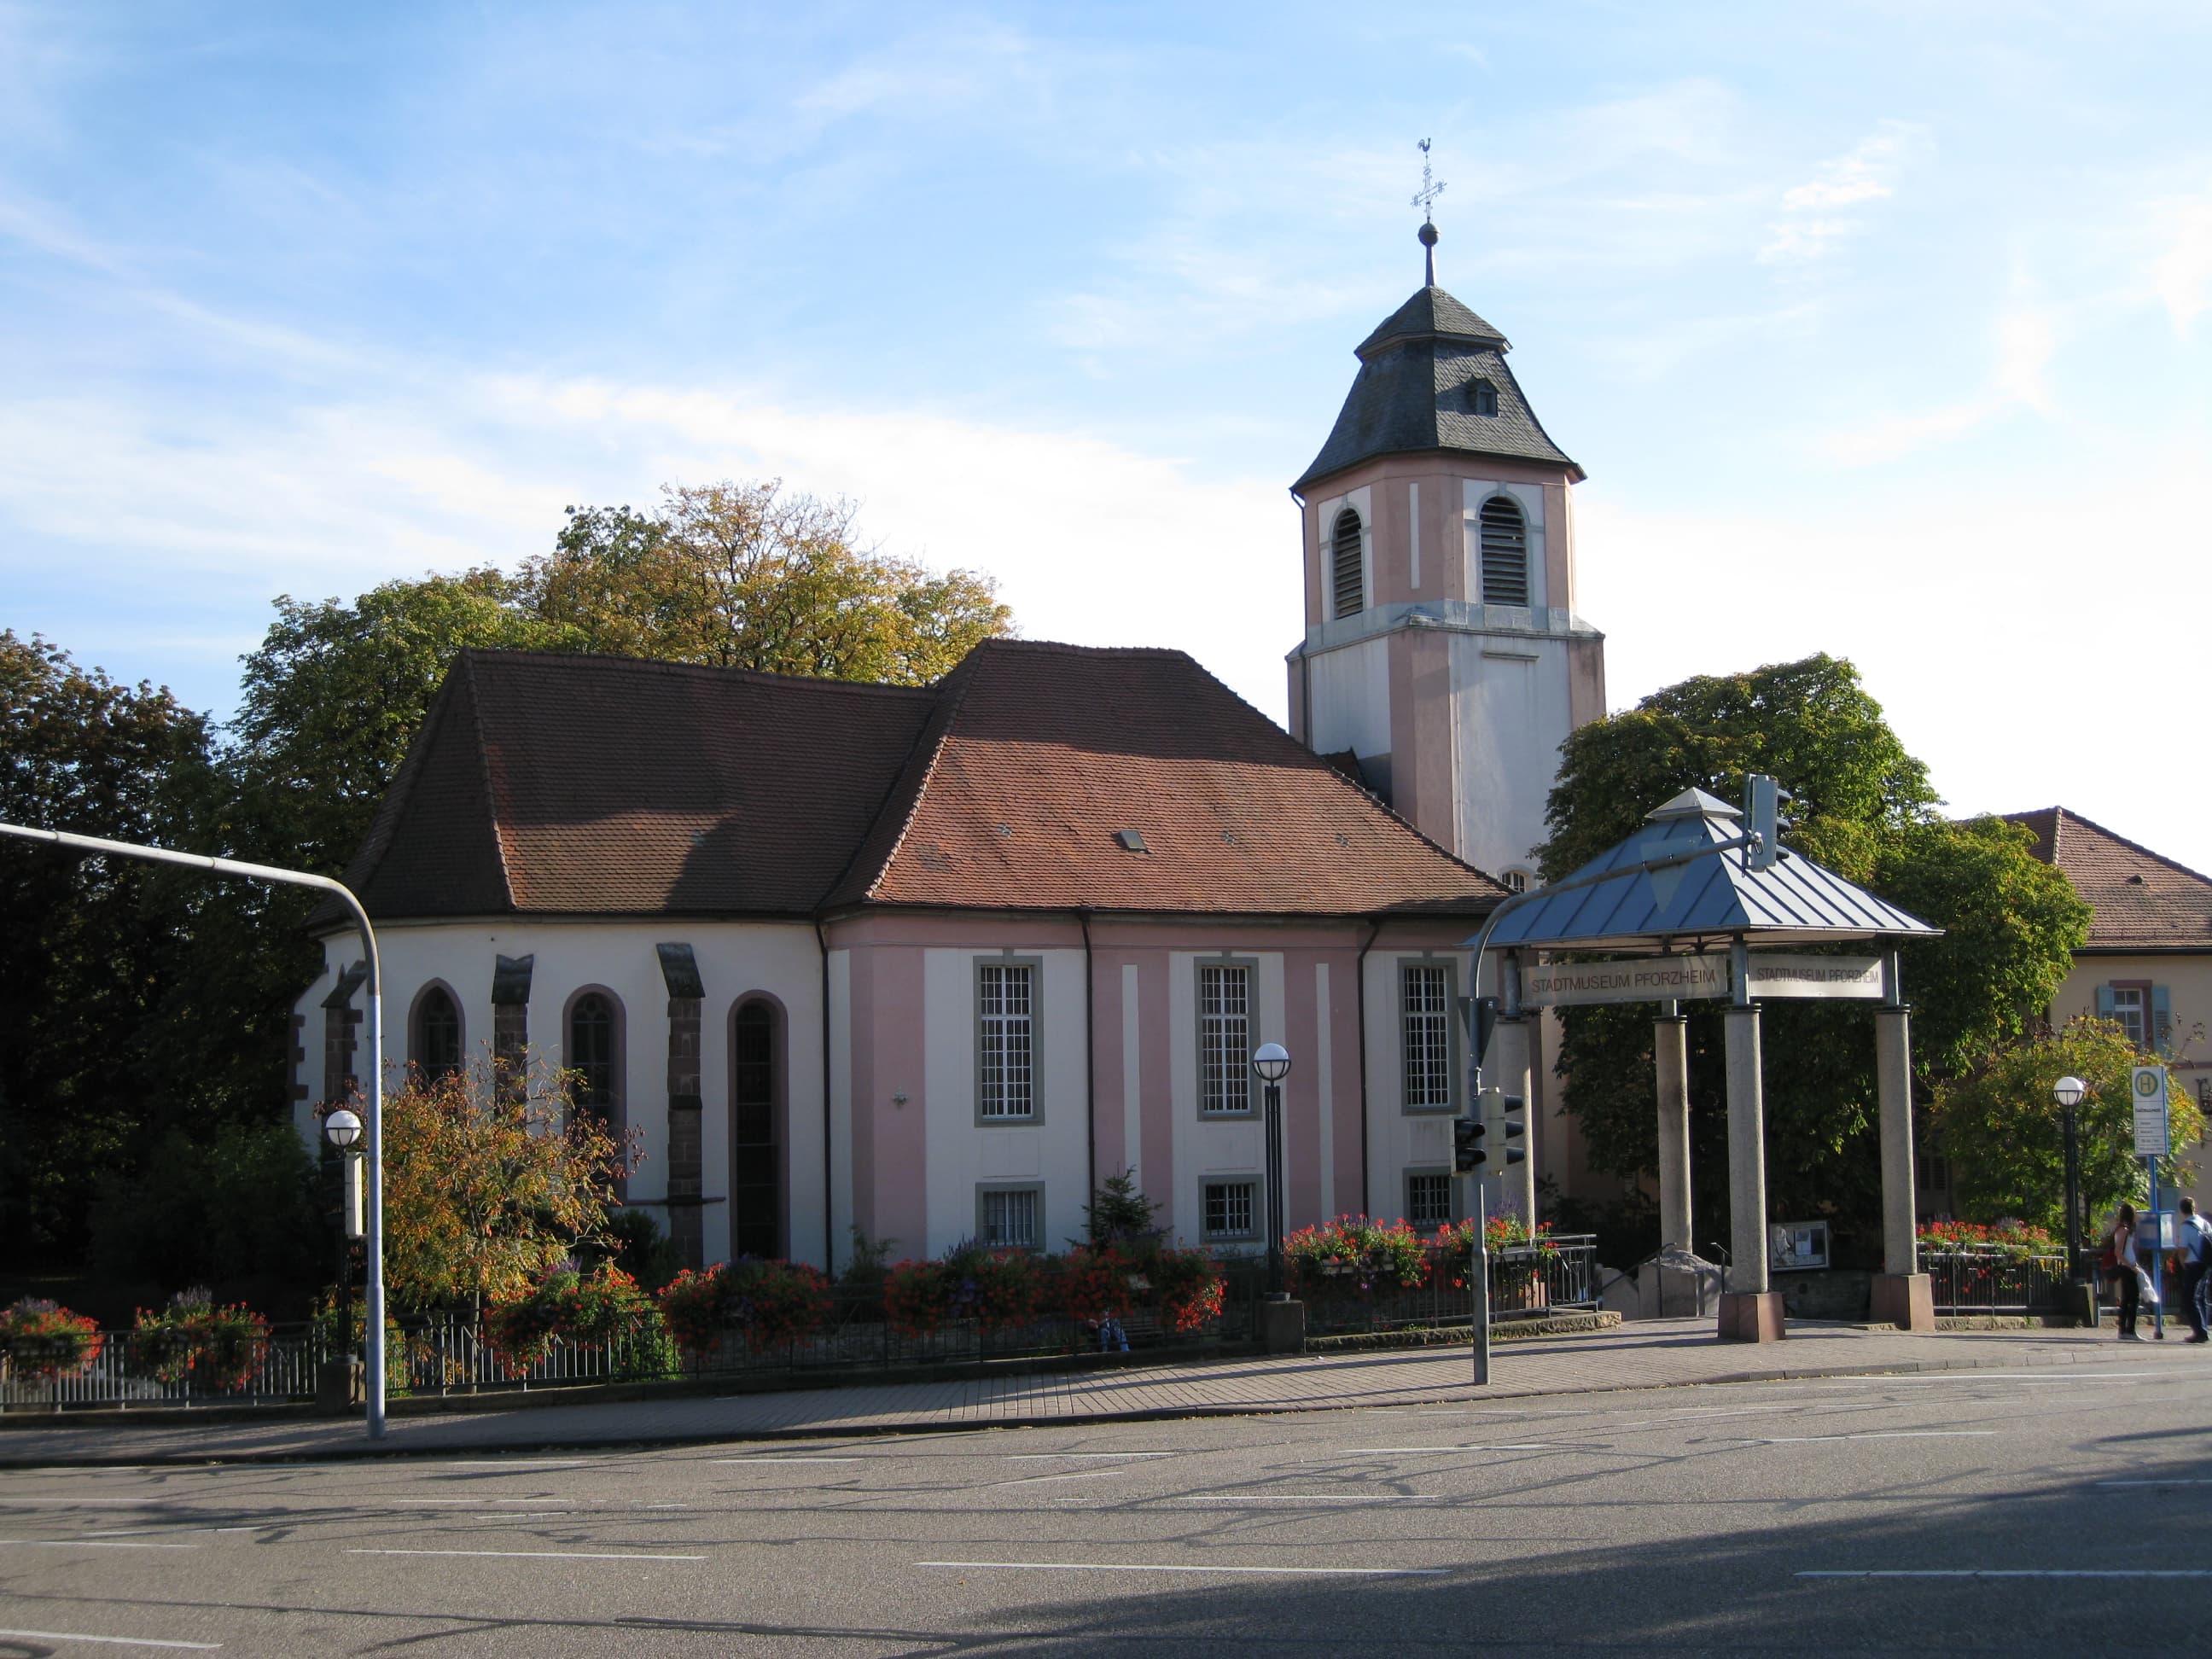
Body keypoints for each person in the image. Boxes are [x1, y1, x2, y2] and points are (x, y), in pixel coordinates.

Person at [2107, 1204, 2147, 1341]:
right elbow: (2118, 1252)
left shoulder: (2122, 1229)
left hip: (2128, 1265)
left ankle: (2124, 1330)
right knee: (2133, 1299)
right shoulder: (2124, 1230)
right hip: (2127, 1267)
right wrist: (2131, 1266)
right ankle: (2130, 1330)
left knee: (2126, 1299)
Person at [2177, 1197, 2212, 1344]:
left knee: (2189, 1299)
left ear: (2181, 1210)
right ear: (2194, 1207)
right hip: (2206, 1263)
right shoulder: (2205, 1223)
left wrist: (2182, 1262)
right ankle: (2203, 1328)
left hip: (2193, 1264)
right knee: (2201, 1298)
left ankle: (2199, 1332)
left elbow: (2183, 1248)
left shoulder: (2186, 1226)